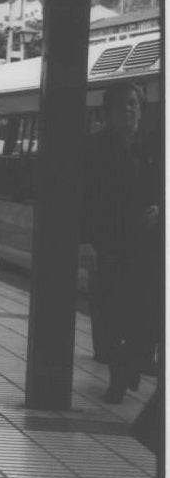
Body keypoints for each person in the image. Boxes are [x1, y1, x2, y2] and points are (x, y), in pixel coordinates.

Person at [80, 82, 161, 403]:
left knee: (149, 312)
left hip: (150, 244)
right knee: (113, 314)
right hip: (109, 243)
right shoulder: (93, 148)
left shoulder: (155, 144)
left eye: (133, 104)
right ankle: (117, 377)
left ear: (141, 108)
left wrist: (161, 207)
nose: (128, 110)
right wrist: (85, 242)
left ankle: (136, 359)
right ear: (108, 112)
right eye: (121, 105)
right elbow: (84, 199)